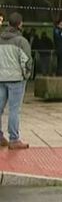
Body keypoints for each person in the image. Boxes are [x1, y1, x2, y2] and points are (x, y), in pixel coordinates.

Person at [0, 12, 33, 150]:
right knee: (14, 110)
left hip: (1, 78)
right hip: (16, 80)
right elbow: (27, 62)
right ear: (20, 24)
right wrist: (26, 75)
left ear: (8, 24)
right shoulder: (21, 41)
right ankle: (14, 139)